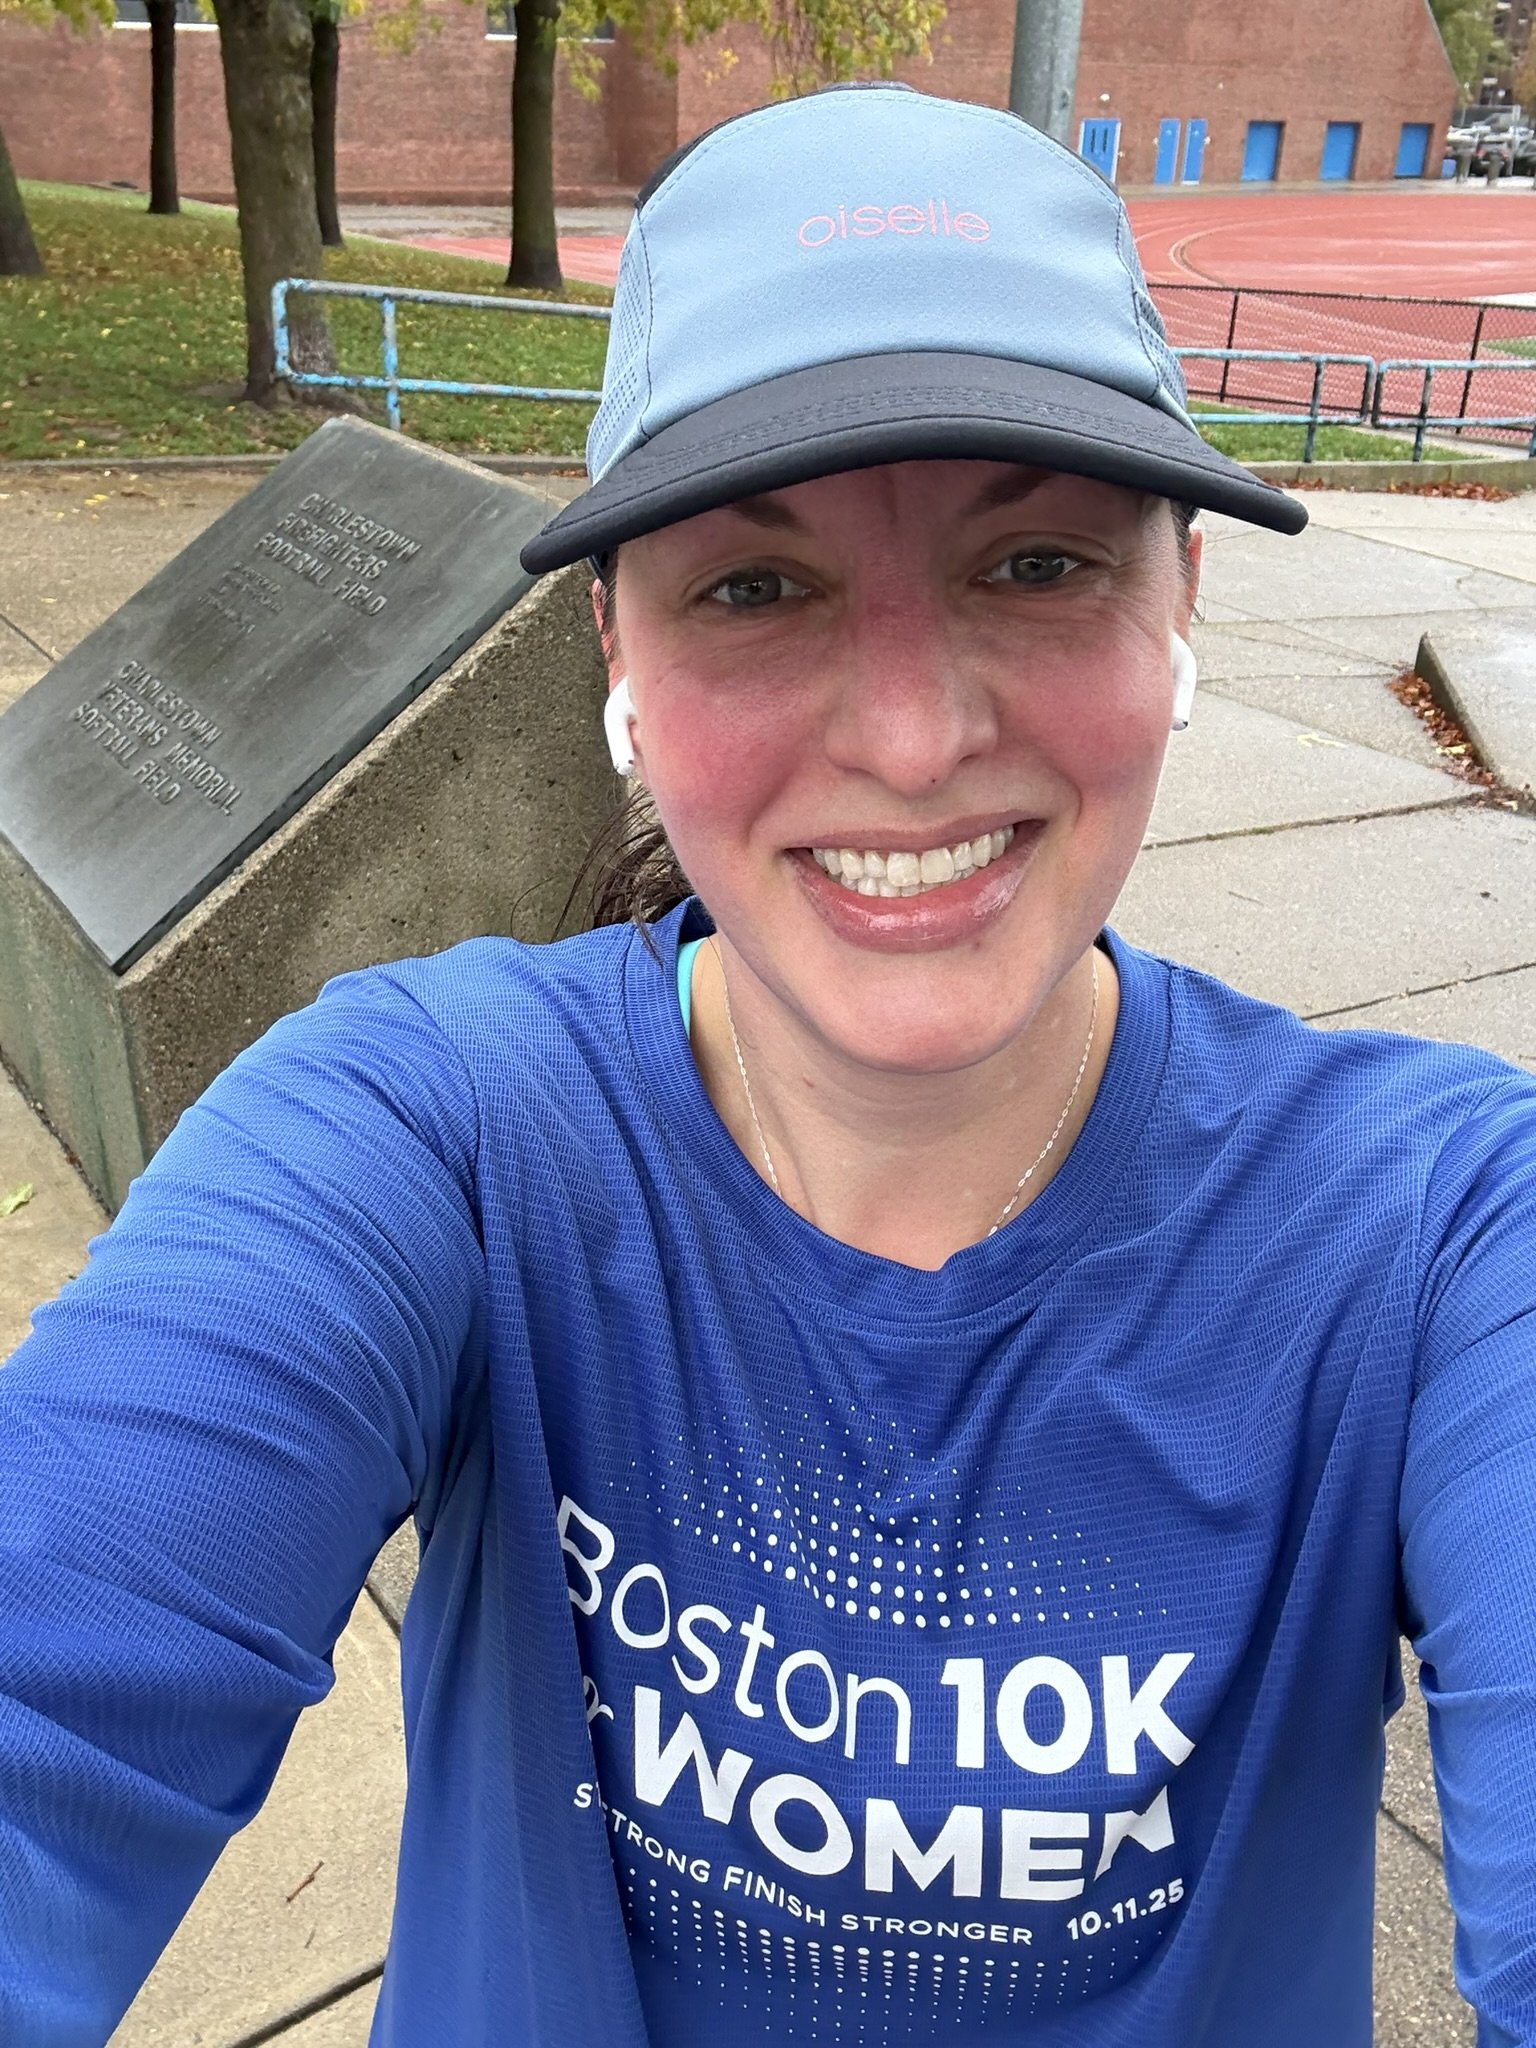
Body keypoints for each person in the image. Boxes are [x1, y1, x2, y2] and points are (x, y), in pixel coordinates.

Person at [3, 83, 1535, 2048]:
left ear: (1183, 611)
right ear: (617, 660)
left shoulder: (1437, 1232)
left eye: (1038, 564)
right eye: (754, 586)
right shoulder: (427, 1133)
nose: (909, 736)